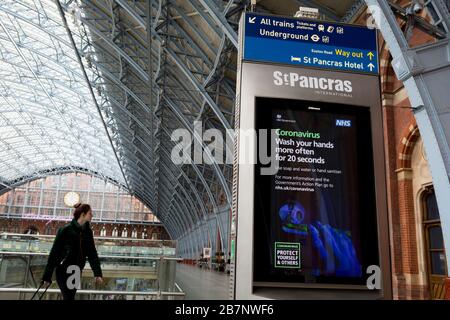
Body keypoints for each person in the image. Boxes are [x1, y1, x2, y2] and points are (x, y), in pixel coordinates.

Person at [42, 203, 103, 300]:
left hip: (76, 270)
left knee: (70, 296)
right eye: (90, 213)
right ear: (83, 215)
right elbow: (54, 253)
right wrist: (47, 276)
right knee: (68, 296)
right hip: (63, 270)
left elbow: (92, 253)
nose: (92, 215)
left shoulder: (88, 232)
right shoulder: (65, 230)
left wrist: (97, 273)